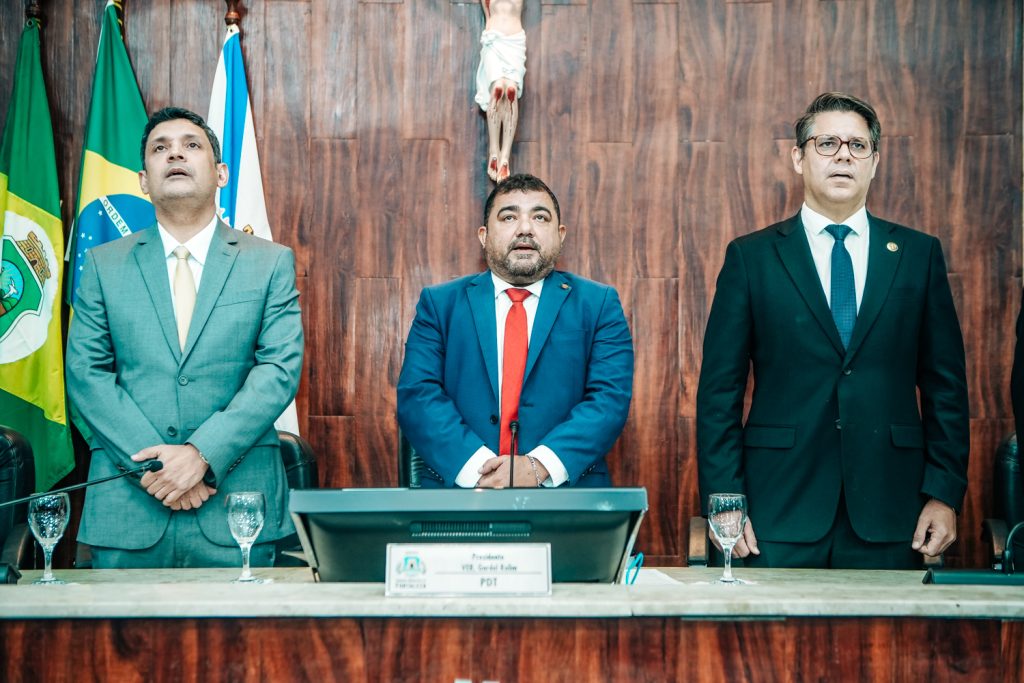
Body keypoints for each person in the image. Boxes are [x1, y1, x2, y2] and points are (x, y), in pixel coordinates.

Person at [696, 92, 969, 569]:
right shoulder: (752, 257)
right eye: (827, 143)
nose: (844, 155)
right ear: (798, 157)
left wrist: (944, 494)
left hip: (892, 506)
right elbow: (719, 392)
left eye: (858, 146)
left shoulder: (917, 255)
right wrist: (726, 500)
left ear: (875, 162)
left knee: (889, 644)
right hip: (776, 508)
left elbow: (947, 388)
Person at [66, 107, 303, 568]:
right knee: (117, 643)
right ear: (143, 180)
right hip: (129, 509)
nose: (175, 153)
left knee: (246, 643)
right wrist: (160, 470)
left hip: (238, 508)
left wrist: (200, 455)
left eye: (191, 145)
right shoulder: (102, 265)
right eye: (160, 148)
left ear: (220, 173)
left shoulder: (270, 262)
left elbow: (278, 371)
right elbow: (86, 374)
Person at [398, 174, 633, 487]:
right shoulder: (439, 305)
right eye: (509, 216)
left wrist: (538, 467)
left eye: (540, 217)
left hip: (568, 499)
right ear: (483, 235)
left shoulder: (598, 304)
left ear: (560, 234)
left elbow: (609, 398)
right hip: (459, 497)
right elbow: (418, 394)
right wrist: (483, 471)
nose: (525, 228)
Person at [475, 0, 525, 182]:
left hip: (515, 43)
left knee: (510, 90)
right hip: (494, 43)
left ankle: (505, 157)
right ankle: (494, 151)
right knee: (498, 89)